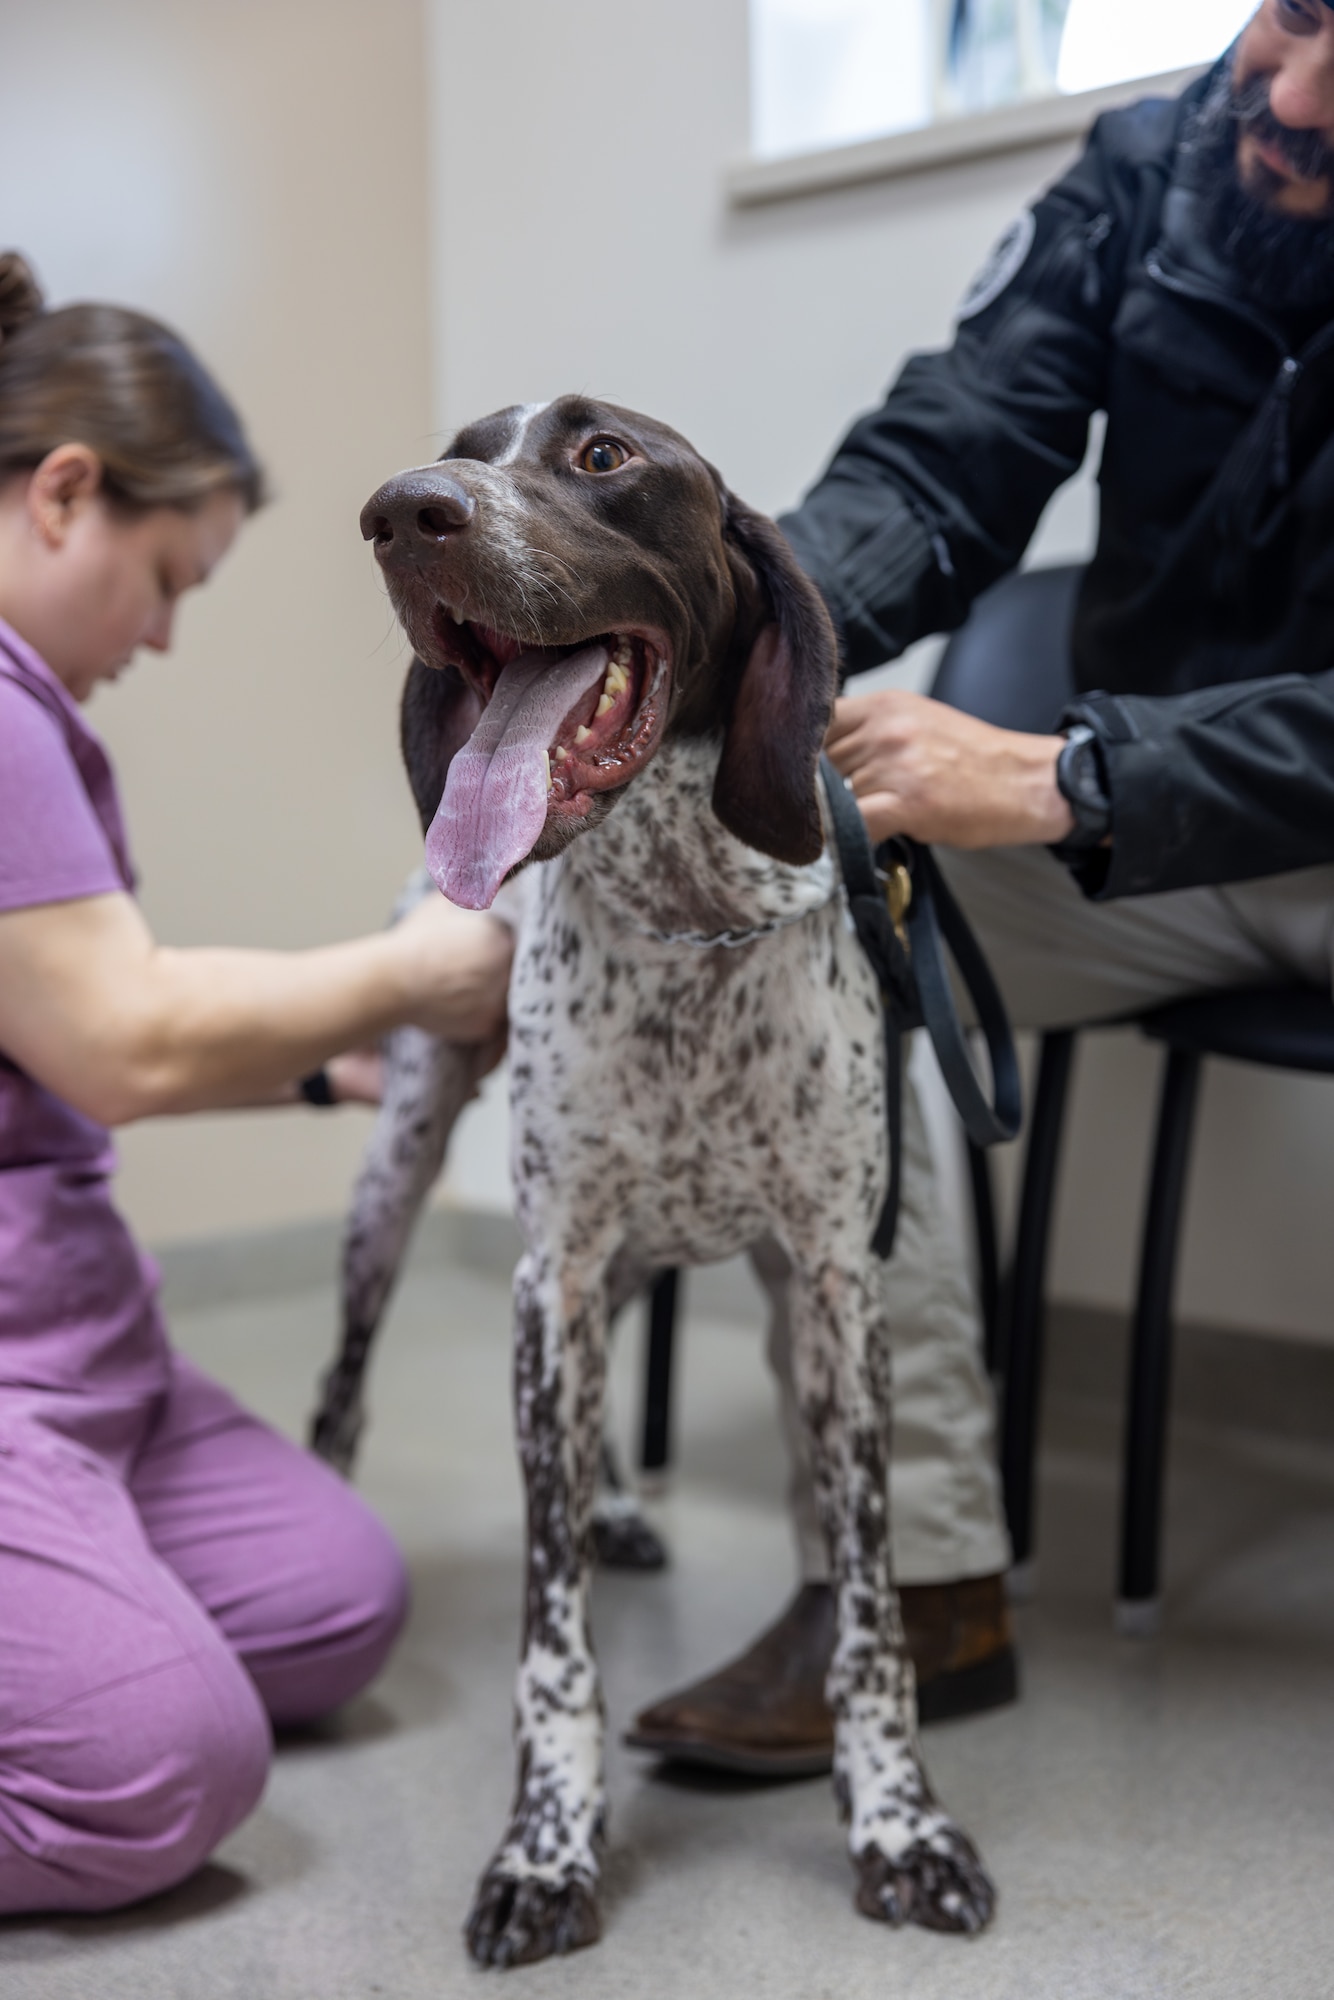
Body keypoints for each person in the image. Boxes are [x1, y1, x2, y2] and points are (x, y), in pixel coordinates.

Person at [629, 0, 1334, 1773]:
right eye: (1299, 14)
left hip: (1175, 803)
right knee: (826, 916)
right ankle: (912, 1586)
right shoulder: (1148, 169)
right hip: (1164, 844)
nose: (1295, 99)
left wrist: (1068, 775)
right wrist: (734, 649)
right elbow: (946, 458)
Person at [0, 253, 512, 1913]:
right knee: (161, 1768)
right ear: (64, 490)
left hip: (79, 1350)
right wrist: (417, 969)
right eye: (164, 578)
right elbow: (120, 1037)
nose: (158, 635)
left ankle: (73, 1598)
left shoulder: (35, 714)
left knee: (332, 1606)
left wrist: (318, 1072)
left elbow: (54, 1035)